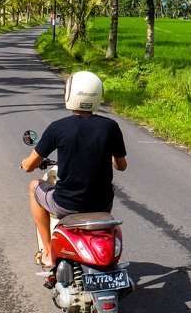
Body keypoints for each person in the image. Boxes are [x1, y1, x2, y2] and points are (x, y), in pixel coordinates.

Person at [20, 71, 127, 268]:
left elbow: (29, 166)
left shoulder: (58, 128)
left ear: (70, 94)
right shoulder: (110, 127)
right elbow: (121, 166)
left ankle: (47, 251)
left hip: (66, 205)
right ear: (97, 95)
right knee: (109, 188)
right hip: (102, 205)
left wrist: (24, 163)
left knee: (34, 185)